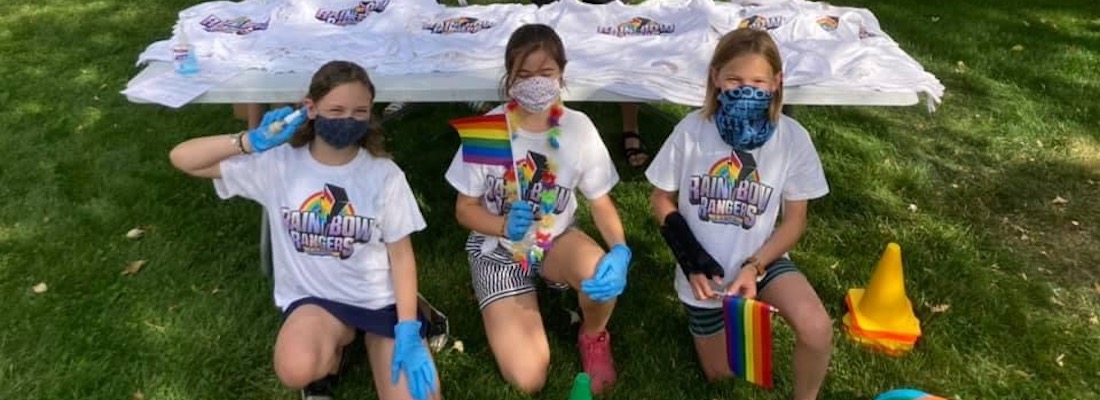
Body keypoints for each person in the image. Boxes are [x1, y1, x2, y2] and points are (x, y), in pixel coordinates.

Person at [169, 60, 441, 400]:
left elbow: (401, 257)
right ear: (310, 108)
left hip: (378, 300)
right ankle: (332, 353)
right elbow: (183, 158)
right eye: (336, 109)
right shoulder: (279, 164)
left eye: (360, 111)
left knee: (420, 397)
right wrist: (249, 142)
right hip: (318, 301)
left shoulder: (384, 174)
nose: (347, 119)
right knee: (296, 367)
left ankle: (409, 316)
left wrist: (407, 329)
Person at [645, 28, 833, 400]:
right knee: (724, 378)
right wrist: (690, 258)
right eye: (734, 79)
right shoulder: (692, 130)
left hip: (762, 262)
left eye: (758, 81)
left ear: (777, 83)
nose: (746, 90)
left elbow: (795, 221)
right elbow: (660, 199)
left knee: (817, 328)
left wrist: (755, 266)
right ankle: (727, 324)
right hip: (705, 278)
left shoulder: (792, 138)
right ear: (715, 78)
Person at [444, 24, 632, 395]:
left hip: (555, 241)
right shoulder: (489, 130)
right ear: (509, 79)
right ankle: (505, 292)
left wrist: (621, 249)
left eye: (545, 73)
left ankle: (593, 335)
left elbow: (600, 202)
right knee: (528, 378)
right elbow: (464, 210)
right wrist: (499, 225)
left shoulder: (578, 129)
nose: (535, 83)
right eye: (524, 75)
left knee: (601, 279)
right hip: (497, 250)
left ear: (561, 73)